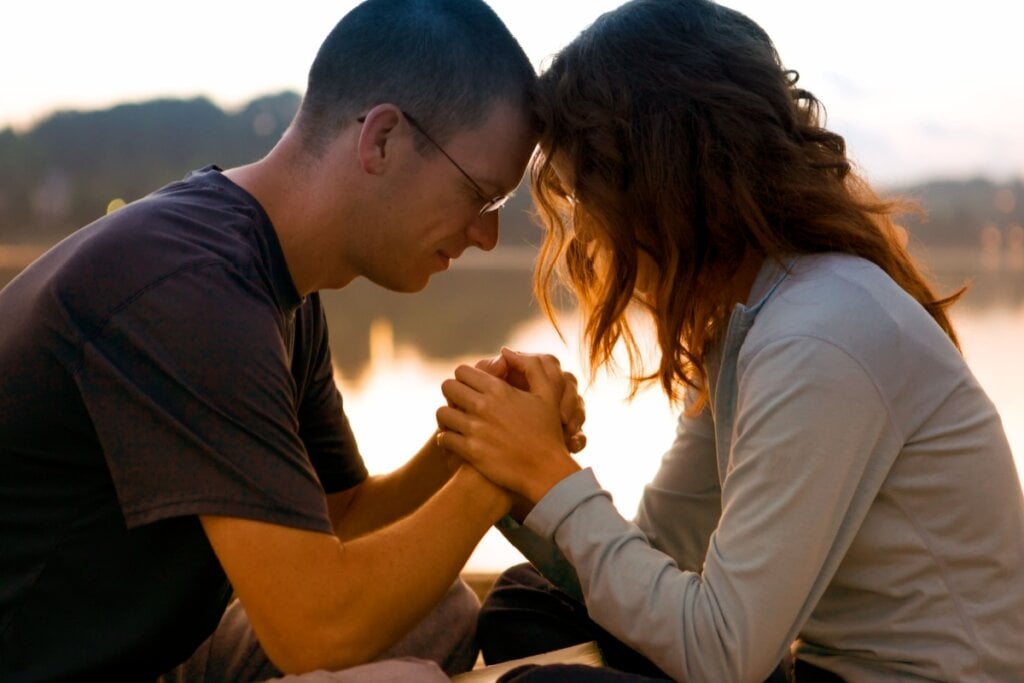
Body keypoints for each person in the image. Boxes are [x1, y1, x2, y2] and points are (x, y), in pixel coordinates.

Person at [434, 0, 1024, 681]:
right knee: (525, 605)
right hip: (808, 669)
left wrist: (550, 474)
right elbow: (662, 552)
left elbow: (722, 655)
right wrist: (516, 469)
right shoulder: (758, 322)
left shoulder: (821, 333)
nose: (586, 238)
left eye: (582, 194)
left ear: (654, 181)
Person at [0, 1, 587, 680]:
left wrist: (469, 439)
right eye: (481, 197)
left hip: (135, 653)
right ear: (383, 140)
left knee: (435, 612)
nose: (484, 236)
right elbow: (319, 631)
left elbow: (340, 519)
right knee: (404, 679)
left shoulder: (274, 286)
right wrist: (499, 470)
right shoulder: (191, 289)